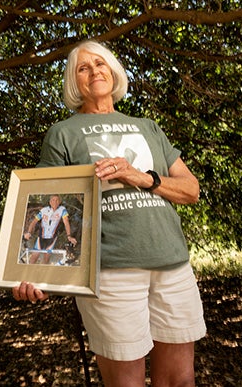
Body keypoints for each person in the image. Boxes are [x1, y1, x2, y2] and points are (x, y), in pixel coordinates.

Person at [12, 40, 207, 386]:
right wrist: (32, 270)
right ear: (75, 83)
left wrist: (139, 176)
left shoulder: (148, 127)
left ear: (113, 72)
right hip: (110, 272)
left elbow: (190, 190)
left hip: (173, 263)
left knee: (181, 380)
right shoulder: (63, 133)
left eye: (100, 64)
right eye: (83, 68)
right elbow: (46, 203)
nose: (94, 71)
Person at [23, 194, 78, 264]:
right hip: (41, 238)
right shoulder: (44, 210)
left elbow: (66, 222)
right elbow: (34, 222)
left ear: (59, 202)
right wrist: (29, 232)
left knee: (46, 259)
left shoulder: (62, 210)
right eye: (53, 200)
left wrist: (69, 236)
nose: (55, 202)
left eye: (57, 200)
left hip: (52, 239)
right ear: (50, 202)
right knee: (34, 257)